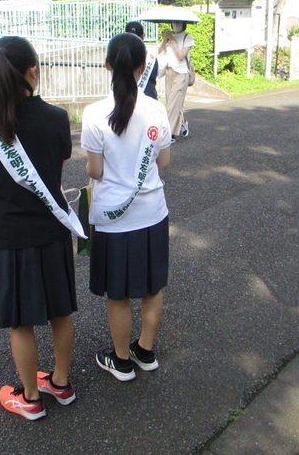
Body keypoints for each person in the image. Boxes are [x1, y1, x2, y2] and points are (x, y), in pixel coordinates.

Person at [0, 36, 78, 420]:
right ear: (33, 71)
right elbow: (54, 178)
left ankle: (30, 397)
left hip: (10, 238)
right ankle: (60, 383)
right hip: (52, 231)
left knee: (21, 321)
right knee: (60, 312)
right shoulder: (58, 118)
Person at [81, 32, 172, 381]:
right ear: (143, 66)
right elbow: (163, 163)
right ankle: (144, 352)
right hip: (152, 213)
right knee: (152, 288)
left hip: (112, 218)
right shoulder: (157, 110)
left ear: (107, 65)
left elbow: (95, 170)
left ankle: (120, 362)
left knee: (117, 294)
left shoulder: (93, 113)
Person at [158, 21, 194, 142]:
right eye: (174, 23)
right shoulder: (169, 36)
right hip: (169, 72)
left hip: (181, 73)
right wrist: (165, 39)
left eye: (178, 23)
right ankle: (183, 124)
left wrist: (173, 40)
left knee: (173, 104)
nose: (176, 25)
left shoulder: (187, 37)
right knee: (172, 103)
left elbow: (181, 56)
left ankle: (169, 134)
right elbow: (160, 52)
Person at [125, 21, 158, 100]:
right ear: (143, 36)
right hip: (149, 99)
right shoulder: (152, 56)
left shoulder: (120, 55)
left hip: (126, 100)